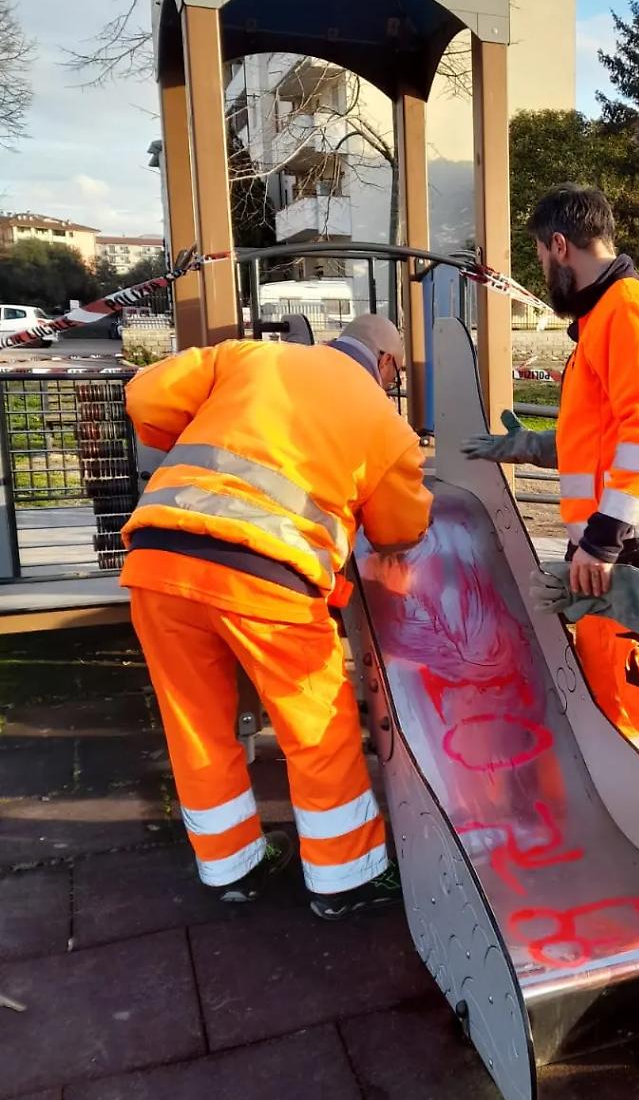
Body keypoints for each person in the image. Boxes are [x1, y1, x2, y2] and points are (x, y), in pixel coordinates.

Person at [120, 313, 432, 920]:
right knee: (318, 728)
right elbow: (401, 530)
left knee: (197, 723)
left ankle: (233, 867)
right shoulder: (384, 422)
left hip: (159, 561)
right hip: (268, 580)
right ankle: (345, 879)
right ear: (388, 365)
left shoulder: (250, 358)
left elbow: (145, 393)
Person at [464, 186, 639, 848]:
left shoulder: (628, 312)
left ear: (559, 246)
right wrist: (534, 446)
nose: (543, 273)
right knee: (618, 696)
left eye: (540, 256)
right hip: (621, 552)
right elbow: (607, 441)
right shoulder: (609, 318)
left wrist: (602, 542)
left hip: (635, 553)